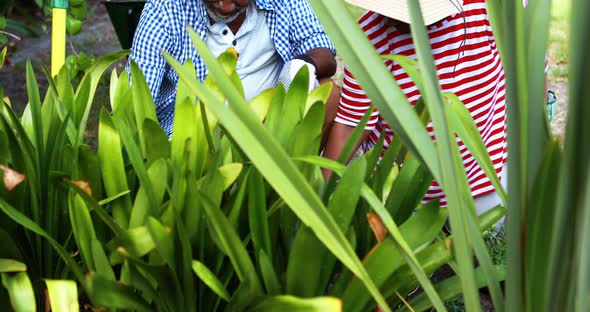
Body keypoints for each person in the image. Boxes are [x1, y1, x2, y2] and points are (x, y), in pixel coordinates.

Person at [323, 0, 509, 216]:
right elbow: (349, 128)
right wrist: (316, 198)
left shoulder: (487, 10)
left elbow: (528, 68)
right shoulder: (370, 35)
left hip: (481, 186)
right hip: (401, 197)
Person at [129, 0, 340, 137]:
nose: (225, 6)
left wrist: (299, 66)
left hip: (271, 124)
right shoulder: (166, 8)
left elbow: (324, 53)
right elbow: (136, 95)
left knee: (327, 93)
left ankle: (290, 195)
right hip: (197, 138)